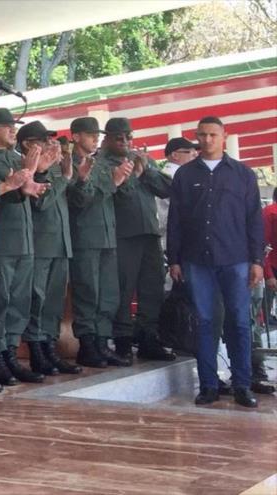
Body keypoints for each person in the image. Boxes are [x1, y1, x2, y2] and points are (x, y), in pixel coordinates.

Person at [168, 116, 263, 408]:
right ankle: (208, 385)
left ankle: (242, 384)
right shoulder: (184, 175)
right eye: (201, 135)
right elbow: (176, 220)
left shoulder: (243, 174)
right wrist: (174, 259)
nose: (206, 140)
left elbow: (254, 219)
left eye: (212, 134)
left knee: (239, 322)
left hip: (235, 258)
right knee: (206, 322)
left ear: (224, 136)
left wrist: (257, 259)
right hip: (197, 260)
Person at [0, 110, 51, 385]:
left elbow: (28, 193)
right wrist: (18, 183)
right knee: (0, 300)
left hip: (24, 239)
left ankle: (10, 351)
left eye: (13, 126)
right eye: (6, 126)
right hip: (2, 240)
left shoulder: (15, 158)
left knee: (20, 301)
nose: (13, 131)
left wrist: (35, 179)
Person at [67, 116, 134, 368]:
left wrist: (123, 180)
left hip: (107, 236)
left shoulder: (101, 164)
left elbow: (118, 197)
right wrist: (112, 182)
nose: (96, 138)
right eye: (90, 134)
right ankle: (87, 344)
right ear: (76, 136)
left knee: (108, 294)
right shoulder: (70, 163)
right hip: (84, 236)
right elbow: (78, 201)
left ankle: (102, 343)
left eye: (97, 134)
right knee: (88, 292)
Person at [18, 121, 83, 375]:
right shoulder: (27, 168)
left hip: (60, 242)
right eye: (43, 140)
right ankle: (36, 350)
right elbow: (41, 204)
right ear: (27, 144)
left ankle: (49, 347)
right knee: (38, 299)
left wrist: (65, 176)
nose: (50, 144)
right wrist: (61, 178)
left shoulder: (53, 167)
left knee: (55, 301)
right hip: (39, 243)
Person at [109, 118, 175, 362]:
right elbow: (110, 195)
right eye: (119, 137)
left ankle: (148, 336)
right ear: (107, 138)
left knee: (152, 286)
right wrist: (132, 175)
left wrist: (146, 169)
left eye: (129, 137)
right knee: (124, 288)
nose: (125, 142)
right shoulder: (102, 162)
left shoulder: (145, 161)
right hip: (123, 234)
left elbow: (167, 189)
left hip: (149, 233)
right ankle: (123, 339)